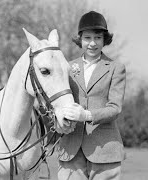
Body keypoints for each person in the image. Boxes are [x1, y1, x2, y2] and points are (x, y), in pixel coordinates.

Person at [57, 11, 126, 180]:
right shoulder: (67, 66)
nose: (92, 43)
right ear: (80, 39)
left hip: (105, 149)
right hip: (70, 148)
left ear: (105, 40)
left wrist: (86, 115)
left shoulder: (116, 68)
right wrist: (59, 121)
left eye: (98, 38)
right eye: (87, 38)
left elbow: (115, 108)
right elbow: (58, 103)